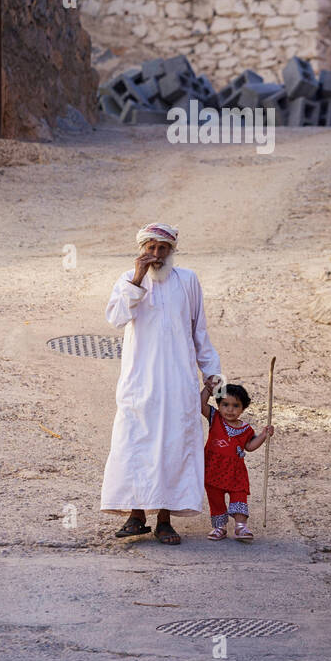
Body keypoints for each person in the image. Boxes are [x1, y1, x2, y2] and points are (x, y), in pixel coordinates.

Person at [101, 221, 222, 545]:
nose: (155, 254)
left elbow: (199, 331)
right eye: (150, 248)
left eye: (162, 249)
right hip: (140, 380)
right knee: (136, 442)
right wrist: (137, 279)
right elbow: (116, 318)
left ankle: (165, 521)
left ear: (172, 252)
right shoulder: (128, 280)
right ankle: (136, 515)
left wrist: (213, 376)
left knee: (173, 445)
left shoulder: (188, 281)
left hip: (178, 380)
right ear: (141, 249)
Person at [200, 381, 274, 542]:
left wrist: (263, 435)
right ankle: (219, 527)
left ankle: (241, 527)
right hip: (213, 470)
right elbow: (200, 404)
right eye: (225, 404)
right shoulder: (215, 418)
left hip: (236, 472)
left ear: (243, 408)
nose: (230, 409)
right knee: (216, 499)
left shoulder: (246, 429)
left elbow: (249, 446)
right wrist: (208, 389)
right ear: (219, 405)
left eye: (236, 405)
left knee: (239, 496)